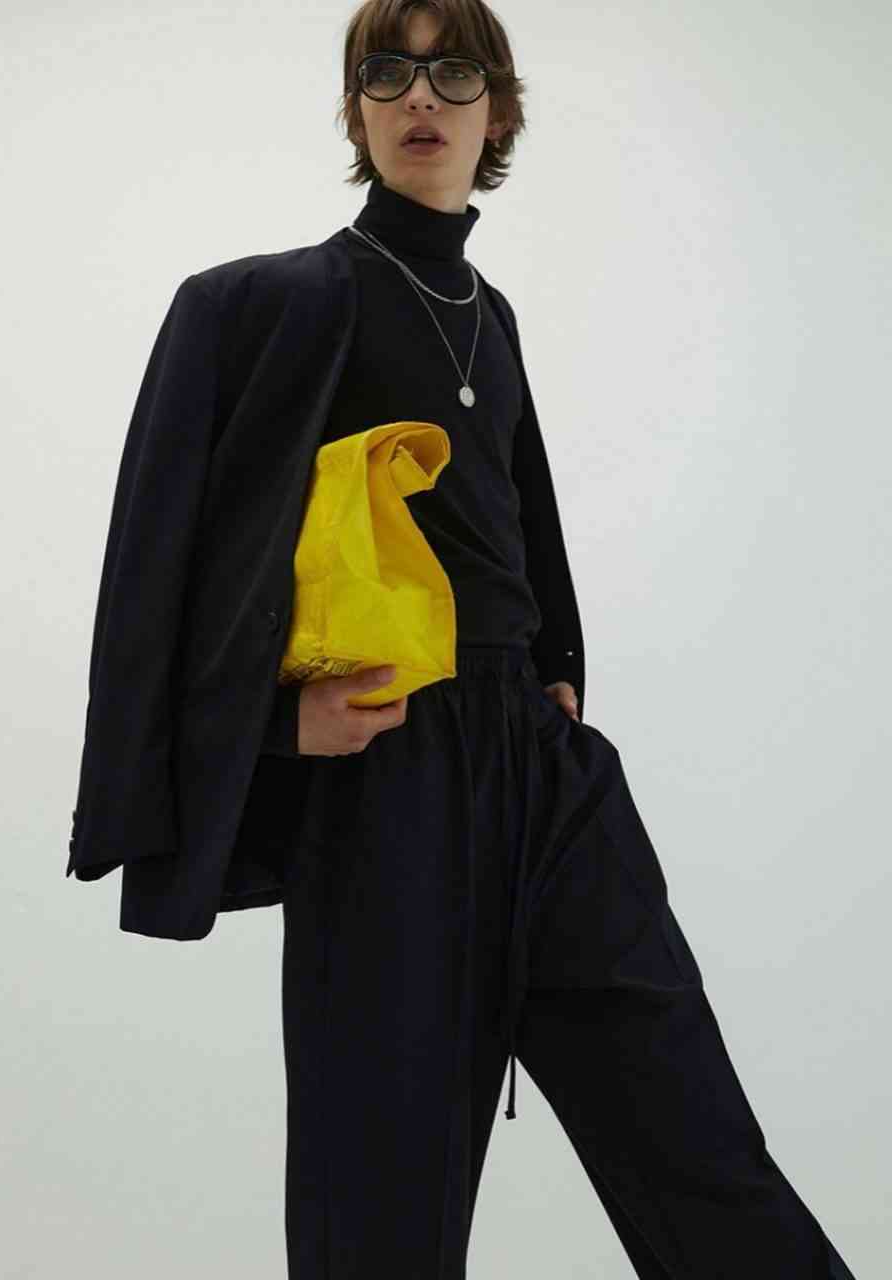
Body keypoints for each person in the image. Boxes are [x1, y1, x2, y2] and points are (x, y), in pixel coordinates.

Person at [272, 2, 859, 1278]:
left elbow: (518, 517)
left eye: (453, 72)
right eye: (388, 70)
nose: (419, 95)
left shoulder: (489, 314)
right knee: (380, 1201)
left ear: (496, 111)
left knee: (698, 1142)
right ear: (356, 108)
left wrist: (554, 680)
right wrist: (277, 724)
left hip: (543, 772)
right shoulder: (282, 302)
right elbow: (173, 564)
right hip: (386, 775)